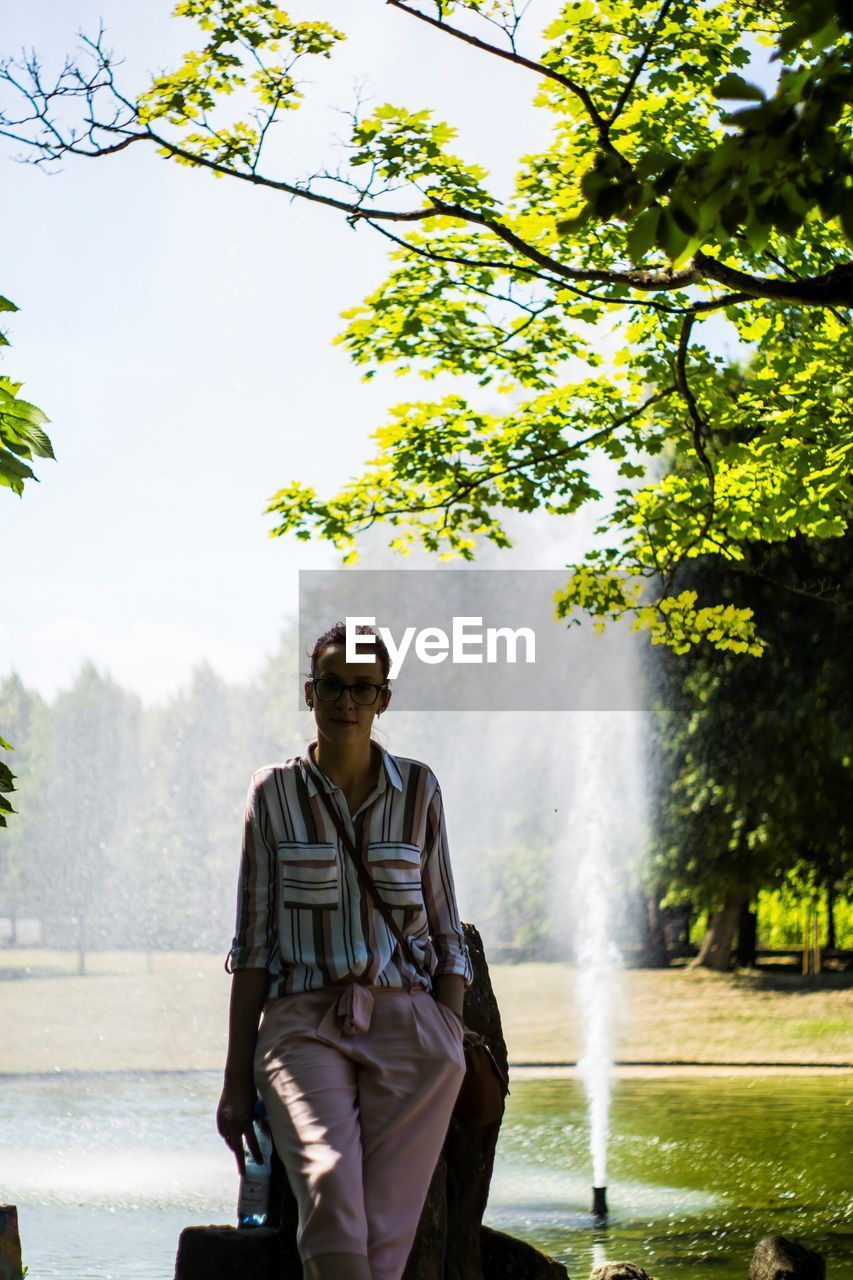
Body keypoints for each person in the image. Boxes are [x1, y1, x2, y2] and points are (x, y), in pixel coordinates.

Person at [216, 621, 473, 1280]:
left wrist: (446, 1026)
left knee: (384, 1230)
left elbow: (447, 932)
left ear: (383, 698)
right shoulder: (273, 794)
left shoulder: (419, 790)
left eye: (362, 688)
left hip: (411, 1028)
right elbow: (254, 946)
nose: (346, 702)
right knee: (330, 1188)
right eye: (332, 685)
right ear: (310, 691)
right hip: (304, 1024)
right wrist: (234, 1080)